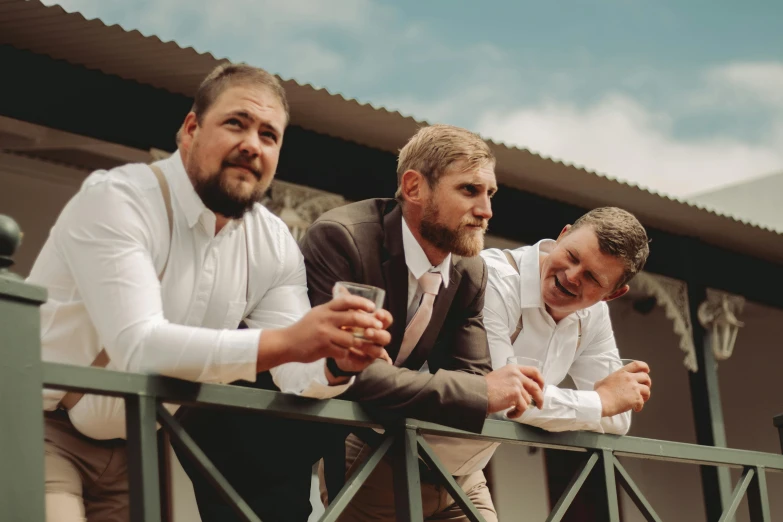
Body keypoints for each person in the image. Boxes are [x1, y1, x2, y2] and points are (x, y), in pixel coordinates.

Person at [30, 62, 392, 522]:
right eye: (236, 123)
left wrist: (337, 360)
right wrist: (292, 340)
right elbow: (138, 345)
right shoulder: (119, 198)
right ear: (191, 129)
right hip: (38, 424)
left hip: (137, 443)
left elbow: (295, 372)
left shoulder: (274, 242)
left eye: (268, 135)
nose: (251, 144)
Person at [300, 124, 546, 522]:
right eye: (469, 190)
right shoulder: (342, 239)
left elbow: (469, 373)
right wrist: (481, 390)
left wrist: (472, 387)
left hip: (445, 465)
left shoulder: (470, 270)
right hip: (357, 453)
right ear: (413, 188)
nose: (486, 211)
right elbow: (350, 376)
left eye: (490, 194)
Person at [479, 207, 652, 442]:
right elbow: (500, 397)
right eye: (572, 256)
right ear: (562, 235)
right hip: (417, 451)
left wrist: (602, 403)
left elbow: (618, 418)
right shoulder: (491, 278)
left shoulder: (595, 315)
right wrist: (599, 402)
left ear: (612, 294)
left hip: (465, 468)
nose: (572, 276)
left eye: (591, 277)